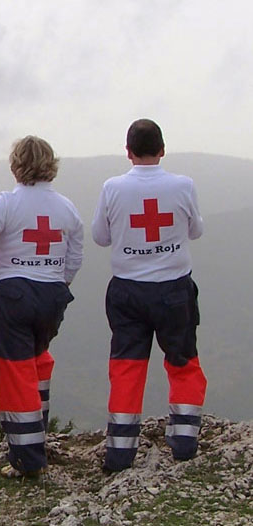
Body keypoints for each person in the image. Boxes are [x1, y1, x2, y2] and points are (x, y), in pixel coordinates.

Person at [0, 136, 83, 478]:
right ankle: (36, 439)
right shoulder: (66, 206)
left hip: (14, 292)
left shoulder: (8, 203)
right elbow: (75, 256)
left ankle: (27, 459)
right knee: (38, 362)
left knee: (16, 373)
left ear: (15, 165)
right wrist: (58, 282)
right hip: (53, 293)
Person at [91, 119, 207, 472]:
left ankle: (120, 453)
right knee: (183, 363)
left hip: (127, 289)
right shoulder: (183, 185)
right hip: (174, 288)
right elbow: (196, 230)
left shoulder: (113, 187)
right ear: (162, 150)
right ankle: (184, 445)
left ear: (128, 152)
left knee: (127, 367)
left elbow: (100, 236)